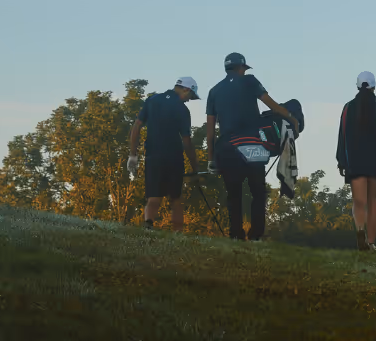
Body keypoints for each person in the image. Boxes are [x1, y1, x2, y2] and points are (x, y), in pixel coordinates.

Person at [205, 52, 300, 241]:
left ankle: (235, 235)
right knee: (257, 191)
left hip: (227, 147)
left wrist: (211, 158)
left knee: (234, 194)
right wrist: (291, 118)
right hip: (253, 143)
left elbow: (210, 129)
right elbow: (271, 105)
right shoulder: (250, 81)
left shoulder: (214, 91)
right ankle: (255, 235)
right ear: (241, 68)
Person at [127, 77, 202, 232]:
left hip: (153, 155)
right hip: (174, 157)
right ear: (186, 89)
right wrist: (195, 167)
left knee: (153, 197)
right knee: (175, 199)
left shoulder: (152, 100)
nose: (189, 101)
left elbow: (136, 127)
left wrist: (132, 155)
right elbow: (187, 142)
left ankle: (148, 225)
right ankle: (178, 233)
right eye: (190, 96)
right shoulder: (182, 110)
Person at [336, 71, 376, 251]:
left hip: (354, 159)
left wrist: (341, 160)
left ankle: (360, 232)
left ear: (357, 86)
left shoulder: (348, 108)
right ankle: (371, 243)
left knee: (358, 201)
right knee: (373, 199)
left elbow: (342, 135)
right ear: (374, 86)